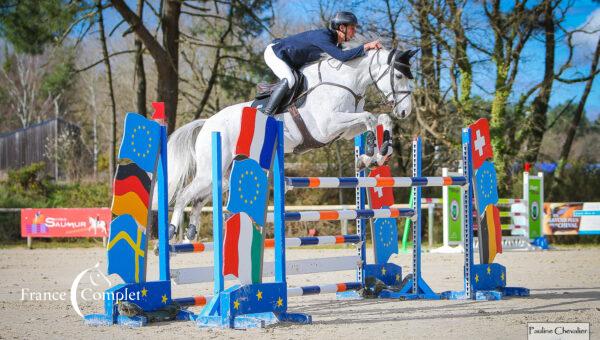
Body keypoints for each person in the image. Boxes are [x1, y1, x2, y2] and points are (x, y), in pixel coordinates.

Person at [262, 11, 382, 116]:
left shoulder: (335, 43)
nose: (354, 32)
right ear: (342, 28)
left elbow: (344, 58)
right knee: (290, 80)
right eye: (352, 28)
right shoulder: (324, 37)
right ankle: (267, 114)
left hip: (291, 60)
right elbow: (343, 57)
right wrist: (366, 46)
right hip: (275, 53)